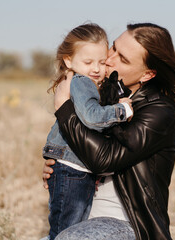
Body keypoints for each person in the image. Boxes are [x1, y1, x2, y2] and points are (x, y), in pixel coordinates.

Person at [43, 23, 175, 240]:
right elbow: (80, 145)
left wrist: (63, 108)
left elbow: (103, 159)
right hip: (83, 214)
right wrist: (62, 165)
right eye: (113, 48)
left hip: (127, 225)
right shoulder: (104, 96)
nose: (109, 59)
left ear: (148, 74)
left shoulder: (160, 113)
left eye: (123, 59)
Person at [42, 23, 133, 240]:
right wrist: (123, 110)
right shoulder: (81, 82)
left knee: (69, 230)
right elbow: (92, 117)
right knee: (65, 233)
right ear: (68, 60)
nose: (96, 68)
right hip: (72, 170)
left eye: (102, 62)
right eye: (88, 62)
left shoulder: (90, 83)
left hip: (74, 169)